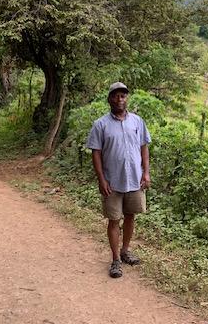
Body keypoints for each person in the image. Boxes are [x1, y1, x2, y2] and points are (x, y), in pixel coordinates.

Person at [86, 82, 151, 278]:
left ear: (127, 99)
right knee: (114, 219)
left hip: (135, 179)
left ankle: (125, 251)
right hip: (112, 182)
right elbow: (96, 153)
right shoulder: (100, 124)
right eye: (115, 96)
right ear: (109, 99)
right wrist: (101, 179)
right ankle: (115, 260)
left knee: (131, 215)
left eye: (123, 96)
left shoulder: (138, 122)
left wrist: (146, 173)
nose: (119, 99)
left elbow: (144, 148)